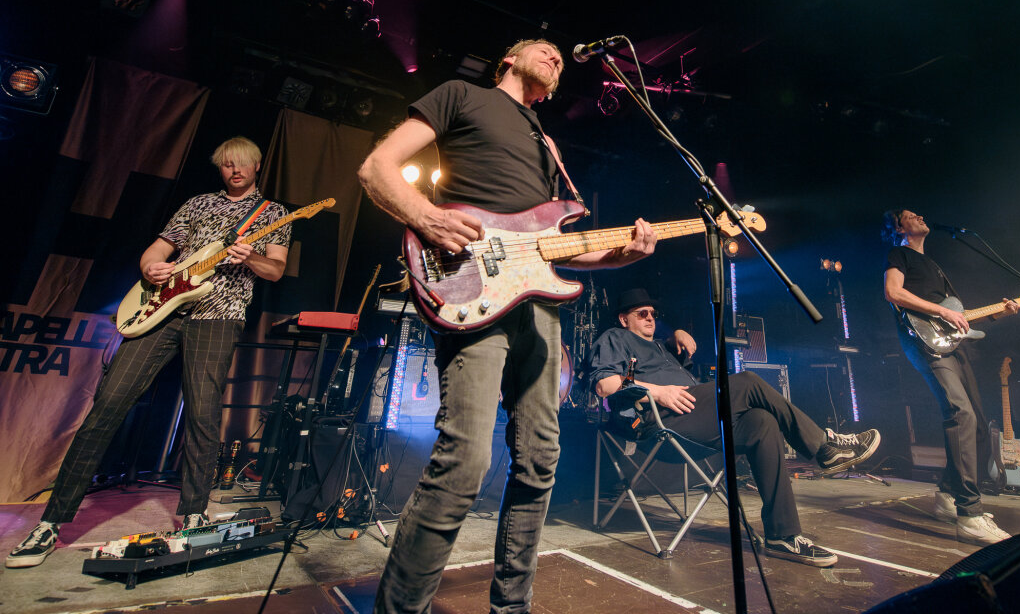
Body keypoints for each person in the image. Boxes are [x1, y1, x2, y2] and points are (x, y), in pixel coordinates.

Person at [357, 39, 657, 614]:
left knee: (541, 456)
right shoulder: (461, 96)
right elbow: (377, 167)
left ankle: (511, 605)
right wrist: (426, 215)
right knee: (466, 458)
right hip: (469, 286)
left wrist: (624, 256)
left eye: (559, 59)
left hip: (537, 305)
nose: (556, 57)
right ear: (507, 58)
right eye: (543, 48)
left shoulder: (546, 143)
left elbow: (551, 247)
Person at [6, 137, 291, 569]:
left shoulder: (272, 214)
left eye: (242, 164)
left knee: (202, 415)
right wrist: (151, 267)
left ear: (256, 167)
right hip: (162, 311)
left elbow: (276, 268)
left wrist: (250, 257)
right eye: (227, 165)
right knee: (108, 404)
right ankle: (51, 522)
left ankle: (194, 514)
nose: (235, 171)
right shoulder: (197, 204)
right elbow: (158, 249)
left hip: (219, 315)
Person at [585, 287, 881, 568]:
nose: (650, 317)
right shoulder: (614, 338)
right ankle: (824, 447)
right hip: (659, 422)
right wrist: (657, 392)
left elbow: (668, 337)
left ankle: (782, 535)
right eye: (641, 313)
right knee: (749, 381)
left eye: (652, 312)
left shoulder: (662, 347)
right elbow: (605, 385)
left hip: (692, 419)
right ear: (624, 319)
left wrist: (675, 332)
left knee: (762, 423)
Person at [882, 208, 1019, 545]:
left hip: (952, 343)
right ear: (899, 227)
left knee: (977, 423)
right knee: (962, 413)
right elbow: (894, 293)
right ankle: (969, 515)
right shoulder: (899, 254)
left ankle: (947, 495)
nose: (921, 217)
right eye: (911, 216)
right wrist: (942, 310)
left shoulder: (936, 267)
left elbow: (959, 318)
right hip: (924, 341)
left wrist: (999, 313)